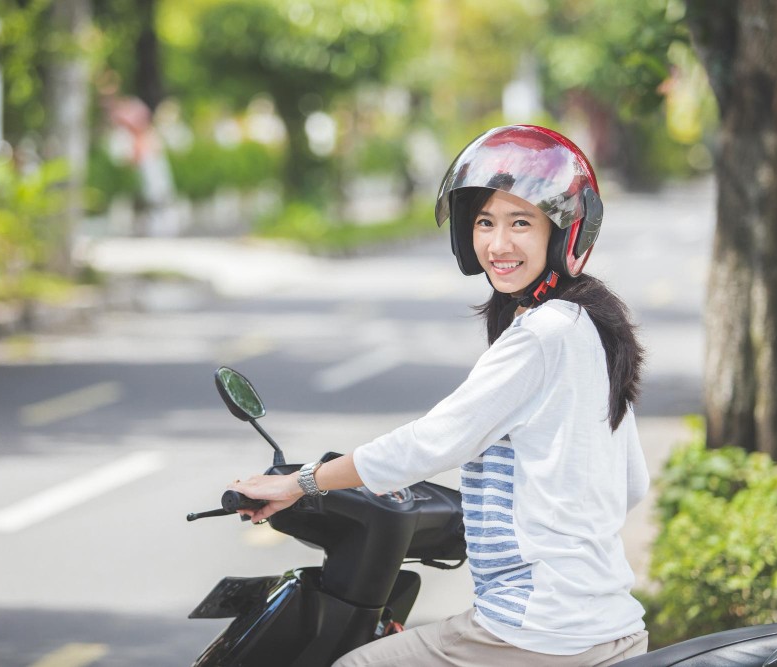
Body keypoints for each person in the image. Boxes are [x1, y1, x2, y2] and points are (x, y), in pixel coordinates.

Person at [229, 125, 650, 667]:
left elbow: (429, 442)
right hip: (611, 623)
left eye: (521, 222)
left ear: (564, 231)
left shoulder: (543, 336)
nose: (498, 244)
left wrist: (299, 482)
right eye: (484, 223)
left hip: (539, 630)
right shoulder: (592, 326)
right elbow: (630, 482)